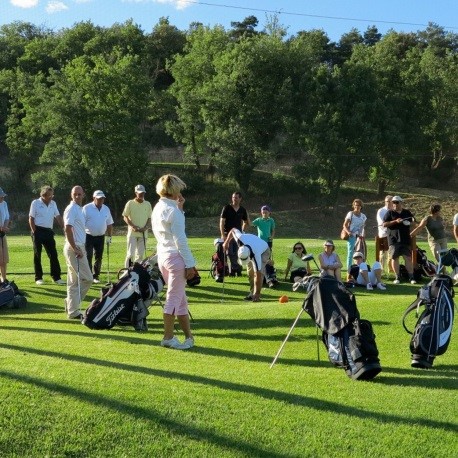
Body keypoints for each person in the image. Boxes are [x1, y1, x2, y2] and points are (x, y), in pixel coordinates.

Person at [152, 174, 196, 350]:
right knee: (174, 298)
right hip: (175, 258)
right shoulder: (174, 212)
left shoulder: (158, 207)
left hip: (163, 256)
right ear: (174, 190)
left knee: (180, 299)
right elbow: (180, 240)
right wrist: (190, 263)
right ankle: (168, 337)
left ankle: (189, 337)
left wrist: (180, 208)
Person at [63, 186, 93, 319]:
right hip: (74, 248)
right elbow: (68, 229)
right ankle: (73, 308)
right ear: (71, 195)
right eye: (75, 194)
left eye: (79, 194)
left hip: (78, 247)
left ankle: (71, 305)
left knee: (74, 282)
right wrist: (75, 247)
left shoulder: (80, 209)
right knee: (87, 279)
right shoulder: (72, 209)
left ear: (83, 195)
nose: (77, 196)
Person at [28, 185, 66, 286]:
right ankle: (39, 278)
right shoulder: (35, 203)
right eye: (49, 195)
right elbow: (31, 218)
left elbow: (58, 216)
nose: (51, 197)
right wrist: (34, 232)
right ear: (43, 195)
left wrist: (64, 228)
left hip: (49, 231)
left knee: (53, 254)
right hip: (37, 230)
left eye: (52, 195)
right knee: (37, 255)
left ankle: (56, 277)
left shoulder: (53, 203)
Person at [223, 228, 270, 302]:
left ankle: (256, 294)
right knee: (250, 273)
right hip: (252, 245)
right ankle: (252, 293)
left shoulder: (256, 254)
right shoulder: (239, 239)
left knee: (259, 273)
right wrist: (226, 242)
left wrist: (257, 293)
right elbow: (233, 230)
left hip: (264, 250)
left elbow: (257, 275)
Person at [383, 195, 416, 284]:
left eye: (397, 202)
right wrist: (395, 221)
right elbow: (384, 224)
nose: (395, 204)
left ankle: (411, 277)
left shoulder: (407, 212)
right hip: (393, 239)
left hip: (405, 238)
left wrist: (408, 223)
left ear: (401, 203)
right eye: (393, 202)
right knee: (395, 258)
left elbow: (413, 223)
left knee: (408, 258)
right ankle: (397, 277)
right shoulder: (389, 213)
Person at [83, 190, 114, 283]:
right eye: (99, 199)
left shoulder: (106, 209)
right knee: (88, 256)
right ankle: (88, 276)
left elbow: (109, 223)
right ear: (94, 198)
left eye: (102, 199)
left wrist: (109, 236)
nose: (101, 200)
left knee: (99, 257)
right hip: (88, 236)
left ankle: (96, 276)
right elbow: (81, 223)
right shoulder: (86, 208)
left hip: (101, 236)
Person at [220, 192, 250, 276]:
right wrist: (223, 234)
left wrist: (242, 231)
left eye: (236, 197)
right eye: (233, 197)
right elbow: (222, 222)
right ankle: (237, 268)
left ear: (240, 199)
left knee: (237, 253)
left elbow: (246, 222)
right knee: (229, 253)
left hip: (238, 235)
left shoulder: (242, 210)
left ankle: (233, 270)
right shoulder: (226, 208)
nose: (234, 199)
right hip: (227, 234)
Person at [122, 184, 152, 268]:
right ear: (136, 193)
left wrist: (145, 228)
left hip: (143, 233)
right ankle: (127, 273)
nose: (141, 194)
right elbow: (125, 216)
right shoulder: (130, 203)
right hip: (132, 233)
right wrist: (132, 226)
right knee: (130, 254)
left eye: (142, 193)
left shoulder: (148, 204)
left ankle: (136, 273)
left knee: (140, 256)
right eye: (139, 193)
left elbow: (149, 218)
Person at [342, 198, 367, 279]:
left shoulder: (363, 216)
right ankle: (349, 273)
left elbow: (362, 227)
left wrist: (362, 234)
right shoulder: (350, 214)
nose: (357, 207)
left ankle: (358, 271)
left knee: (359, 253)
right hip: (351, 236)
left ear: (361, 206)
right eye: (356, 205)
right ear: (353, 206)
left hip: (359, 237)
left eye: (359, 205)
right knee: (350, 253)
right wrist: (349, 232)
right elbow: (345, 225)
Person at [376, 195, 393, 274]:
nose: (389, 203)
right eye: (387, 201)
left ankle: (391, 270)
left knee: (392, 253)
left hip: (393, 235)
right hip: (384, 234)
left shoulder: (394, 211)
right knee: (383, 253)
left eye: (391, 201)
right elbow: (382, 224)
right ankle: (381, 270)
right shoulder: (381, 211)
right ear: (385, 202)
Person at [0, 187, 10, 284]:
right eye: (1, 196)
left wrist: (4, 227)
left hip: (2, 234)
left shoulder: (4, 204)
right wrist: (1, 228)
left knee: (4, 259)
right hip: (1, 231)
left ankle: (4, 279)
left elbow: (7, 217)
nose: (2, 197)